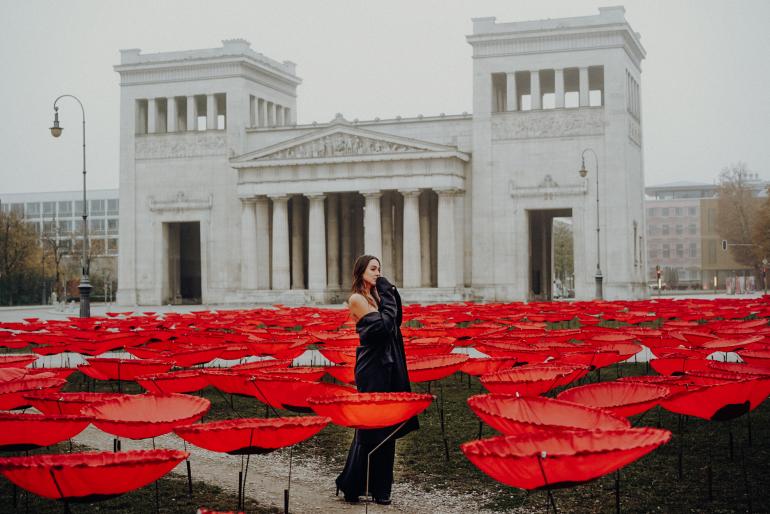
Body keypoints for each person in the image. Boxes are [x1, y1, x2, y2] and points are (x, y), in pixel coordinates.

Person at [335, 255, 418, 505]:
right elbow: (384, 326)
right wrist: (387, 292)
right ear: (361, 272)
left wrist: (388, 292)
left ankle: (380, 487)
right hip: (373, 369)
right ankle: (355, 484)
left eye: (380, 269)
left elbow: (395, 321)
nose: (378, 273)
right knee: (371, 425)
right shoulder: (357, 299)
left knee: (388, 425)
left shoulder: (377, 298)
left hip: (390, 365)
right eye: (373, 269)